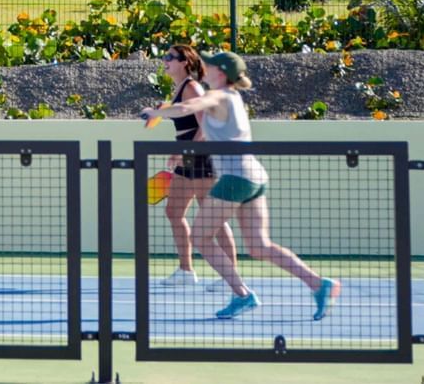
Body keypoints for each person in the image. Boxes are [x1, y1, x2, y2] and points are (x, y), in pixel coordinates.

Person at [139, 51, 340, 321]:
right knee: (259, 246)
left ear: (221, 73)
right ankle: (318, 284)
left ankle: (242, 295)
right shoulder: (233, 98)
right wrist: (182, 153)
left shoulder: (219, 95)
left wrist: (155, 112)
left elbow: (188, 108)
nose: (205, 68)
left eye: (209, 66)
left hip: (235, 178)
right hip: (255, 177)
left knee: (199, 236)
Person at [155, 44, 234, 289]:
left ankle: (229, 275)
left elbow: (205, 125)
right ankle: (186, 271)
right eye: (165, 56)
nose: (165, 60)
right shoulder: (179, 87)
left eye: (170, 57)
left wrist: (186, 150)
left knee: (214, 217)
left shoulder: (192, 87)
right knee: (173, 212)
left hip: (200, 157)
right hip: (188, 156)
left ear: (185, 62)